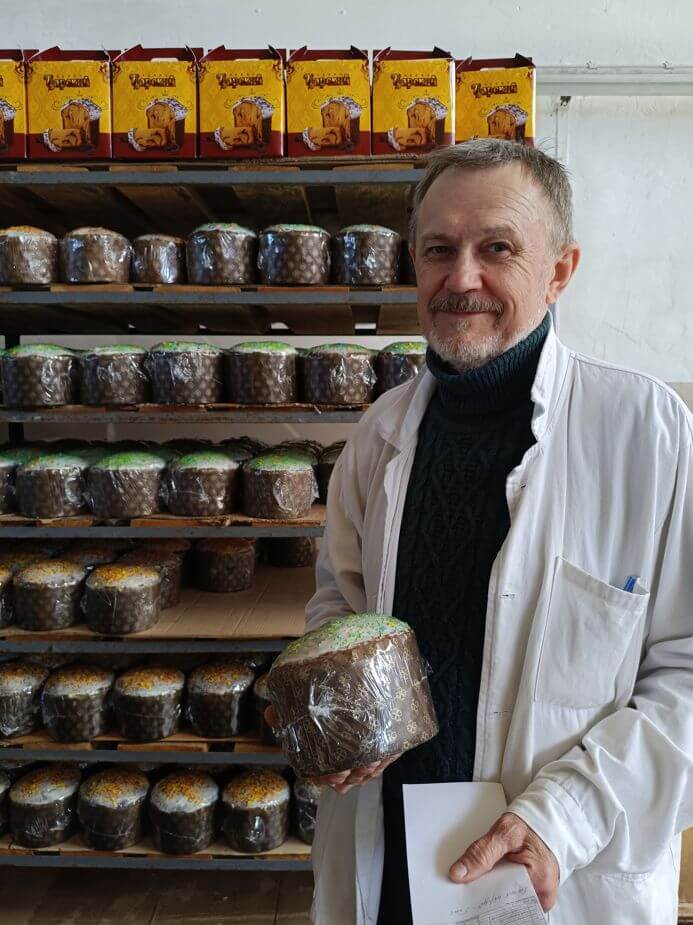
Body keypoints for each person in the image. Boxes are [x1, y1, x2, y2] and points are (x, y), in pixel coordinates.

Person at [270, 139, 693, 924]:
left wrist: (562, 814)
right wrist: (331, 710)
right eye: (439, 250)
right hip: (391, 858)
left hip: (559, 871)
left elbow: (686, 675)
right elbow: (340, 605)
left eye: (496, 248)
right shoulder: (378, 436)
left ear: (559, 270)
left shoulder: (647, 432)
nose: (461, 278)